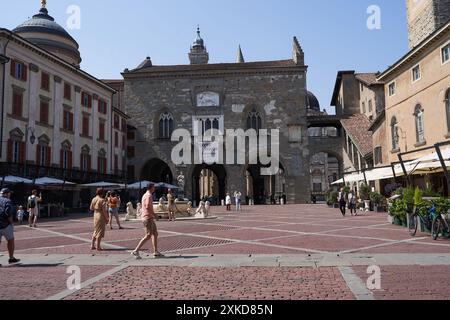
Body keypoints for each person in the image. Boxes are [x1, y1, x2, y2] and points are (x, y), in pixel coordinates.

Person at [131, 184, 164, 259]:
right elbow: (147, 206)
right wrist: (155, 215)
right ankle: (136, 250)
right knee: (148, 235)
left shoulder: (145, 195)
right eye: (154, 187)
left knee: (155, 233)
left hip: (149, 217)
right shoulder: (149, 196)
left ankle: (155, 251)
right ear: (151, 188)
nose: (154, 188)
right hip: (148, 217)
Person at [0, 188, 20, 264]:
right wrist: (11, 222)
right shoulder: (7, 201)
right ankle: (11, 258)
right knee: (10, 240)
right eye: (9, 193)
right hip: (5, 224)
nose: (10, 195)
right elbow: (8, 212)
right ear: (6, 194)